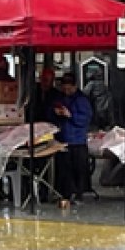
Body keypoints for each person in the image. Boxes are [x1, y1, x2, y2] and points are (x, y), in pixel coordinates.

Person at [51, 73, 92, 205]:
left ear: (75, 87)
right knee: (65, 168)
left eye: (69, 89)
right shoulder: (60, 98)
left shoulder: (82, 100)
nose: (67, 91)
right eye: (65, 89)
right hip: (63, 138)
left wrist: (70, 115)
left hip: (77, 140)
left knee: (78, 168)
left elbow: (85, 119)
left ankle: (78, 193)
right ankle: (65, 193)